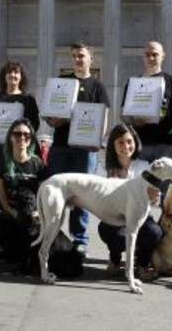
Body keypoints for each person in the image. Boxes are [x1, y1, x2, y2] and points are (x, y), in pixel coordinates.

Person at [46, 42, 110, 254]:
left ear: (90, 58)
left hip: (85, 150)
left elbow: (104, 116)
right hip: (61, 147)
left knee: (82, 196)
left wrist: (99, 139)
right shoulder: (62, 83)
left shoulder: (97, 86)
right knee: (56, 194)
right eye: (74, 56)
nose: (77, 59)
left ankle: (79, 239)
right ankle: (52, 234)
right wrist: (54, 120)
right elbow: (49, 115)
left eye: (81, 55)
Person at [97, 124, 163, 280]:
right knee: (109, 231)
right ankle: (115, 259)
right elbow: (98, 198)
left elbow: (154, 203)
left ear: (136, 142)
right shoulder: (103, 169)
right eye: (120, 142)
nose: (126, 146)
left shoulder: (145, 167)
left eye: (129, 141)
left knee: (154, 232)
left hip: (140, 216)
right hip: (115, 217)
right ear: (112, 145)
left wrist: (154, 197)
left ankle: (142, 265)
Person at [0, 118, 48, 265]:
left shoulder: (38, 164)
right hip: (11, 211)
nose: (22, 137)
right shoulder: (1, 164)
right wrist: (16, 214)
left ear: (31, 139)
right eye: (17, 134)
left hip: (33, 211)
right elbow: (2, 201)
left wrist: (38, 213)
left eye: (26, 135)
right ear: (10, 137)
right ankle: (8, 248)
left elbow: (43, 194)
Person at [122, 41, 172, 163]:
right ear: (143, 57)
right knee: (141, 181)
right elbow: (124, 114)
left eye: (155, 54)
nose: (151, 58)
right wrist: (133, 120)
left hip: (166, 144)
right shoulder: (133, 83)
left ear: (163, 56)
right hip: (139, 144)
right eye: (147, 55)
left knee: (167, 181)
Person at [0, 61, 40, 177]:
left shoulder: (28, 99)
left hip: (19, 148)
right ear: (4, 76)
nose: (12, 75)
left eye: (16, 72)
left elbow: (34, 125)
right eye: (9, 72)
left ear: (21, 77)